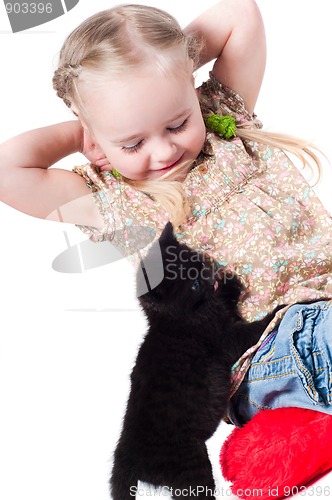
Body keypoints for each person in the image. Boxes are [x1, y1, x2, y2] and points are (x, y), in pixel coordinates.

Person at [0, 0, 332, 417]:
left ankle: (299, 434)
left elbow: (239, 14)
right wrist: (82, 129)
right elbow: (7, 171)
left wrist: (172, 61)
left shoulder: (222, 117)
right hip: (258, 354)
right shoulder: (107, 199)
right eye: (132, 143)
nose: (163, 150)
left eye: (177, 124)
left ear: (191, 89)